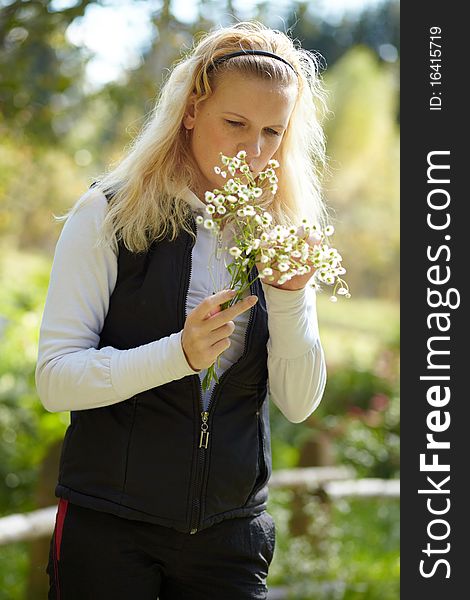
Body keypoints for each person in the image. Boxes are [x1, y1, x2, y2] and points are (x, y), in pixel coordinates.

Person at [36, 20, 328, 600]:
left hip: (231, 538)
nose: (255, 150)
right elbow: (54, 381)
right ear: (192, 111)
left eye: (274, 131)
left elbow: (298, 404)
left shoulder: (282, 236)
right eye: (236, 123)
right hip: (108, 528)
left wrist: (291, 299)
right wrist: (178, 355)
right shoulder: (109, 214)